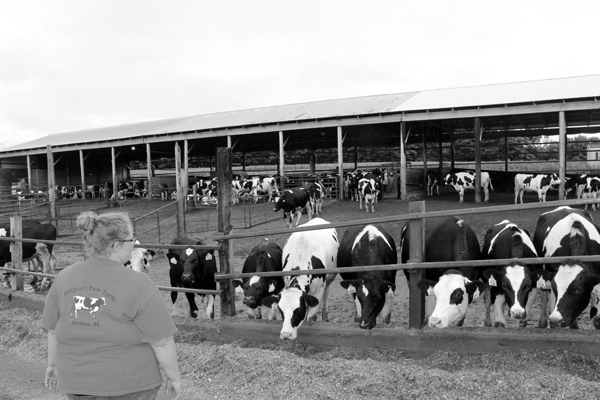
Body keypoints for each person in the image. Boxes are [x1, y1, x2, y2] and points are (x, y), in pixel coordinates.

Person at [42, 210, 181, 399]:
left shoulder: (64, 277)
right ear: (116, 245)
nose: (133, 245)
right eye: (131, 240)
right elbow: (162, 341)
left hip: (78, 386)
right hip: (131, 386)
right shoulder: (138, 283)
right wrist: (174, 378)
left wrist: (52, 365)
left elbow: (53, 331)